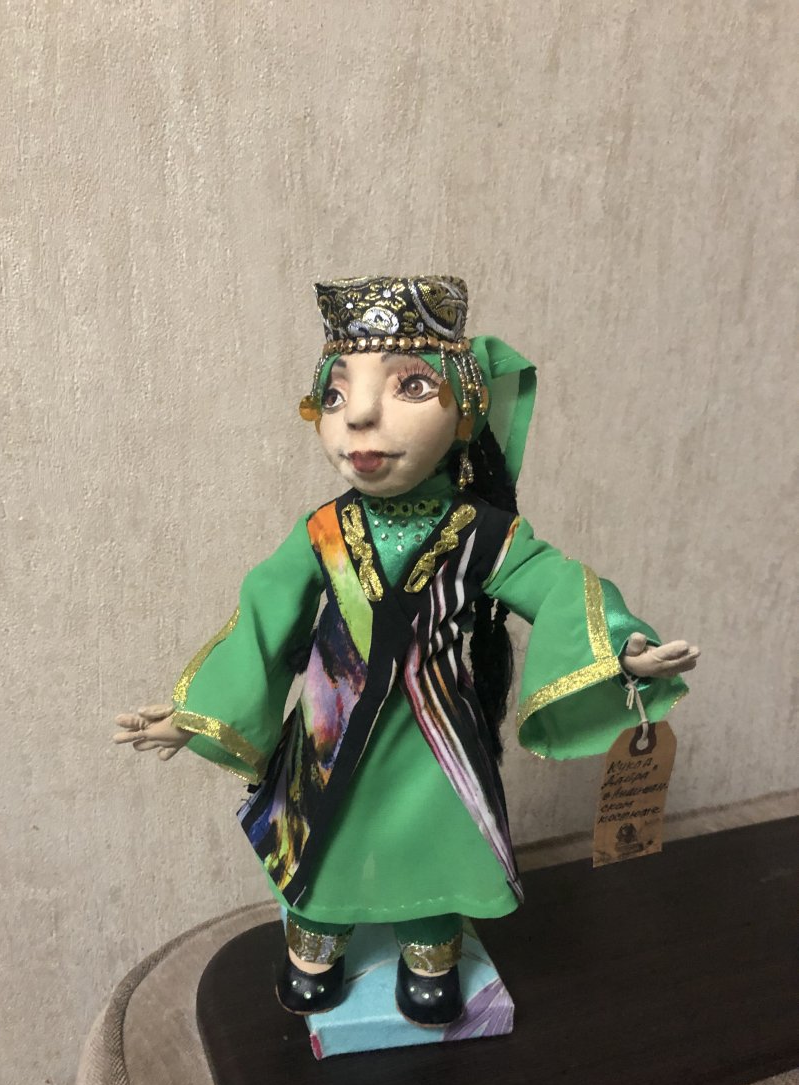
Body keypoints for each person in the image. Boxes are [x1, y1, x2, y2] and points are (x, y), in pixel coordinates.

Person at [114, 275, 699, 1027]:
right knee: (323, 842)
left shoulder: (485, 534)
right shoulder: (322, 531)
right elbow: (264, 615)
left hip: (435, 737)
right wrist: (196, 713)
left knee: (436, 841)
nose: (358, 415)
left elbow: (556, 586)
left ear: (466, 411)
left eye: (409, 385)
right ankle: (315, 945)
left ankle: (430, 953)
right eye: (334, 394)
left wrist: (619, 646)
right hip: (329, 733)